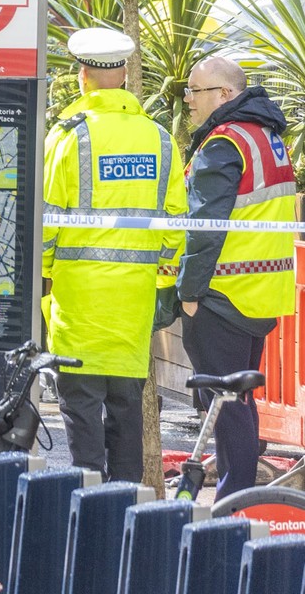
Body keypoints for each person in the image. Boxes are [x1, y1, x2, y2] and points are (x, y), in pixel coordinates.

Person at [41, 27, 185, 483]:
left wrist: (44, 276)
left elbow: (48, 221)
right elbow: (175, 223)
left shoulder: (67, 136)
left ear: (83, 77)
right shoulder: (160, 139)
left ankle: (88, 513)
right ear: (123, 77)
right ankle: (126, 514)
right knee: (126, 419)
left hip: (78, 305)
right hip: (132, 308)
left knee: (80, 418)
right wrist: (161, 279)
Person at [175, 54, 298, 498]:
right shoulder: (267, 137)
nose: (188, 99)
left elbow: (205, 228)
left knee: (225, 407)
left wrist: (188, 293)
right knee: (238, 401)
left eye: (196, 90)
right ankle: (241, 496)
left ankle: (235, 502)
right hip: (260, 293)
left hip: (222, 294)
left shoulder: (225, 143)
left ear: (225, 94)